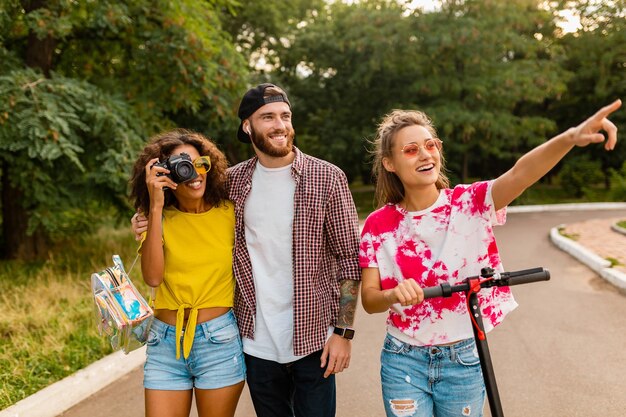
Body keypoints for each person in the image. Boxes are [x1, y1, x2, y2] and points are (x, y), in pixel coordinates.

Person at [359, 100, 621, 417]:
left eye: (431, 145)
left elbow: (521, 173)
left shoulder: (470, 203)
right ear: (389, 163)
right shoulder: (378, 225)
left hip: (463, 357)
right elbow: (370, 300)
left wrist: (570, 137)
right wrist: (393, 294)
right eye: (411, 150)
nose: (426, 154)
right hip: (402, 358)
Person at [132, 83, 361, 417]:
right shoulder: (232, 183)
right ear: (247, 126)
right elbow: (185, 202)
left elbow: (349, 260)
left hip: (314, 339)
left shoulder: (327, 177)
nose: (279, 125)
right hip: (255, 343)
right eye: (267, 117)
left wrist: (344, 332)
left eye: (285, 115)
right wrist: (145, 216)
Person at [129, 129, 245, 417]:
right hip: (164, 344)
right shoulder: (155, 219)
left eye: (199, 163)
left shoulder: (231, 213)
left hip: (218, 341)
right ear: (164, 175)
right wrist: (155, 208)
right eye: (182, 167)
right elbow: (153, 278)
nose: (193, 173)